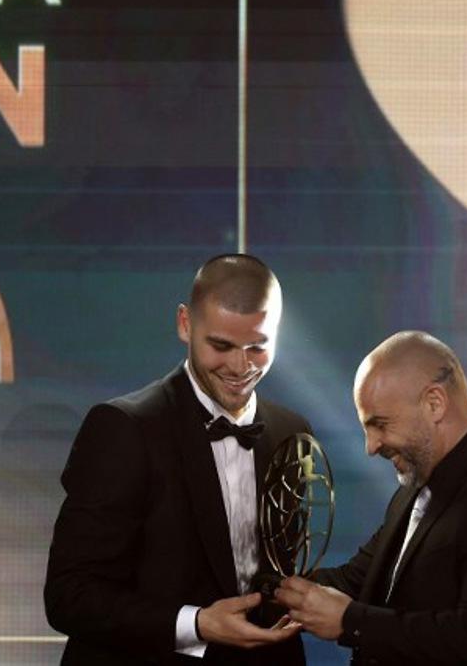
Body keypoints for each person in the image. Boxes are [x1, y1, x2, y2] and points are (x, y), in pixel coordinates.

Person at [45, 254, 309, 664]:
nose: (240, 366)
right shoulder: (123, 428)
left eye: (257, 347)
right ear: (185, 324)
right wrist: (198, 624)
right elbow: (71, 595)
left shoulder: (292, 432)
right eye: (221, 346)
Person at [275, 331, 467, 665]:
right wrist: (258, 591)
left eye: (380, 424)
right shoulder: (416, 487)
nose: (370, 447)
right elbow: (358, 581)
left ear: (435, 403)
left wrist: (349, 622)